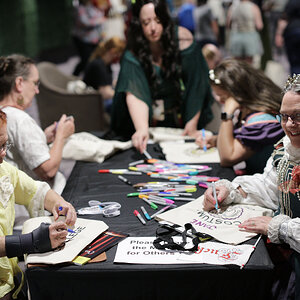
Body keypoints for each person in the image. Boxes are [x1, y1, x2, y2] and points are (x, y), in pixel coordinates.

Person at [204, 73, 300, 299]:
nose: (289, 125)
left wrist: (280, 227)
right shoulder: (286, 149)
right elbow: (268, 187)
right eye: (284, 116)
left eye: (298, 116)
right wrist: (231, 191)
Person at [111, 0, 214, 153]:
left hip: (178, 117)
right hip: (145, 120)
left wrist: (192, 124)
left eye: (158, 21)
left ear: (166, 19)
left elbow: (197, 85)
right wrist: (141, 129)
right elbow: (134, 91)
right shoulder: (133, 50)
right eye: (146, 23)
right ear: (139, 24)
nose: (153, 28)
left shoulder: (183, 40)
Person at [0, 109, 77, 300]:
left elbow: (35, 191)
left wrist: (60, 204)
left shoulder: (4, 171)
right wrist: (32, 241)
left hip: (9, 277)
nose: (3, 154)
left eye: (4, 145)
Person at [0, 54, 75, 228]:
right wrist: (61, 136)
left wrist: (42, 136)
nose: (37, 90)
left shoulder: (4, 116)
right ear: (19, 83)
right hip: (30, 215)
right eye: (35, 83)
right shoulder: (20, 119)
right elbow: (47, 170)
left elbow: (19, 153)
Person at [196, 58, 285, 174]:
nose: (219, 100)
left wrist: (227, 114)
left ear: (237, 93)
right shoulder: (248, 109)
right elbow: (240, 138)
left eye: (223, 97)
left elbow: (227, 158)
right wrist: (214, 140)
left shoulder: (264, 120)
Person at [83, 36, 126, 114]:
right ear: (113, 51)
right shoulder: (98, 65)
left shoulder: (106, 64)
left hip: (100, 97)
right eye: (119, 54)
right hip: (93, 101)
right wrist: (123, 94)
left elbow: (107, 83)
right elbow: (105, 93)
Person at [72, 0, 107, 76]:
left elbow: (100, 15)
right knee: (86, 60)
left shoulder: (92, 6)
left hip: (94, 39)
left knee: (94, 59)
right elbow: (84, 22)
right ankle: (74, 76)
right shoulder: (79, 8)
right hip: (83, 39)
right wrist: (98, 21)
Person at [227, 0, 264, 64]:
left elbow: (228, 24)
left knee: (238, 62)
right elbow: (259, 26)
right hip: (250, 36)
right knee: (249, 63)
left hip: (236, 36)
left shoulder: (232, 7)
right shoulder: (253, 7)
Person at [275, 0, 300, 74]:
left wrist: (278, 35)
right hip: (293, 32)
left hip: (292, 33)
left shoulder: (293, 2)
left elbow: (284, 19)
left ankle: (293, 85)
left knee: (294, 65)